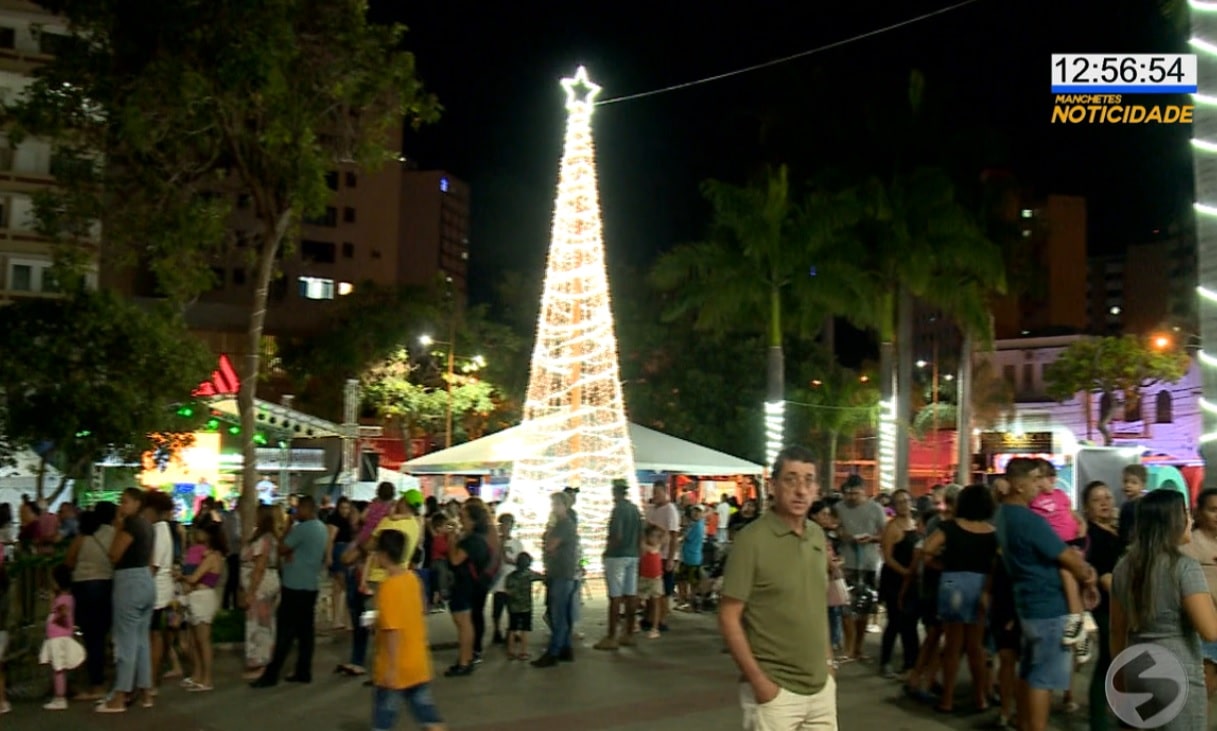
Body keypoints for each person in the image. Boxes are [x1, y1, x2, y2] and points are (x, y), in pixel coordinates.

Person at [720, 445, 836, 730]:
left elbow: (816, 602)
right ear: (773, 485)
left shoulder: (816, 535)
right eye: (791, 479)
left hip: (821, 688)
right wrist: (760, 682)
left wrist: (829, 663)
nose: (800, 490)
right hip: (775, 691)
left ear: (817, 489)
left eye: (808, 480)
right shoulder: (752, 540)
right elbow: (728, 616)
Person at [994, 458, 1097, 731]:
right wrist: (1087, 574)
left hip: (1027, 604)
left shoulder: (1003, 516)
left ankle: (1025, 723)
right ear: (1018, 484)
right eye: (1035, 479)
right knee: (1043, 678)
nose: (1040, 486)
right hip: (1048, 606)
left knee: (1030, 669)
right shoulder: (1030, 520)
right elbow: (1067, 558)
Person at [1112, 488, 1217, 730]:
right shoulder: (1184, 567)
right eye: (1186, 515)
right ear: (1173, 522)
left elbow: (1116, 630)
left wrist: (1119, 677)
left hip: (1135, 665)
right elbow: (1210, 631)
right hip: (1176, 669)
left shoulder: (1123, 566)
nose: (1190, 521)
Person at [370, 529, 446, 731]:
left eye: (376, 551)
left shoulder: (388, 587)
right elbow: (420, 610)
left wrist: (392, 669)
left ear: (384, 554)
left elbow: (392, 630)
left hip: (395, 665)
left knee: (383, 720)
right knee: (427, 715)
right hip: (417, 660)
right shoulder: (413, 579)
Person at [251, 496, 327, 688]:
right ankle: (303, 671)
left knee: (285, 631)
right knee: (305, 632)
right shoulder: (321, 528)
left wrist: (287, 527)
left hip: (294, 585)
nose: (295, 513)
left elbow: (283, 548)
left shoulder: (302, 529)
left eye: (298, 509)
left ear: (306, 509)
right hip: (311, 584)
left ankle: (271, 674)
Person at [835, 476, 886, 661]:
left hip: (868, 564)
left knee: (864, 607)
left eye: (855, 493)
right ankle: (849, 646)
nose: (851, 497)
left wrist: (871, 539)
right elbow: (835, 527)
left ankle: (858, 647)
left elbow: (884, 534)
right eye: (848, 494)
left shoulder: (876, 509)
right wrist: (842, 534)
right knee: (846, 607)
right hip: (846, 563)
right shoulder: (839, 508)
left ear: (864, 491)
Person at [533, 491, 579, 668]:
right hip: (561, 572)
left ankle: (553, 651)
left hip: (561, 573)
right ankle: (565, 648)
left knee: (557, 614)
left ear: (564, 506)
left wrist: (549, 534)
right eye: (553, 504)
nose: (554, 508)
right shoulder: (565, 524)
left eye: (557, 504)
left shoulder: (563, 525)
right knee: (561, 613)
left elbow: (550, 545)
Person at [596, 479, 643, 650]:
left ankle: (611, 636)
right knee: (631, 595)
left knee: (615, 596)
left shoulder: (618, 510)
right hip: (633, 555)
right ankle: (628, 633)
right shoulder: (635, 509)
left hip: (617, 556)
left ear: (615, 492)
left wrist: (607, 551)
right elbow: (640, 534)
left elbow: (617, 535)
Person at [40, 564, 84, 710]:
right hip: (60, 636)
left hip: (57, 637)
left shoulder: (62, 600)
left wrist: (59, 613)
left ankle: (60, 697)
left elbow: (63, 611)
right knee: (59, 668)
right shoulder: (68, 597)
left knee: (58, 668)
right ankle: (61, 693)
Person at [504, 551, 545, 660]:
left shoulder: (510, 576)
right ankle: (523, 652)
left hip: (513, 607)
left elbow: (507, 590)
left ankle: (510, 652)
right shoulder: (529, 574)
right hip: (526, 607)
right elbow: (542, 577)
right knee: (525, 630)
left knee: (512, 629)